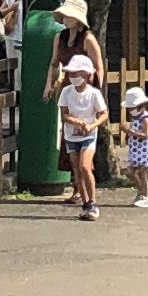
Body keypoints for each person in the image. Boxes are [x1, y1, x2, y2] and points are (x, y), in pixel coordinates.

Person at [57, 60, 107, 220]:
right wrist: (78, 122)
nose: (72, 76)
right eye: (70, 73)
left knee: (85, 166)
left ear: (86, 74)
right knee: (77, 171)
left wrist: (92, 126)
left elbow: (104, 114)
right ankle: (86, 205)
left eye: (76, 73)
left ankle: (93, 202)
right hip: (71, 135)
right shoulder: (66, 91)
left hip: (89, 135)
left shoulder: (94, 93)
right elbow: (64, 115)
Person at [119, 84, 148, 207]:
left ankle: (145, 194)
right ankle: (143, 190)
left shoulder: (145, 118)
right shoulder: (136, 118)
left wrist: (129, 132)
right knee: (132, 172)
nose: (130, 110)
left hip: (145, 151)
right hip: (137, 151)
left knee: (139, 173)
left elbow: (145, 134)